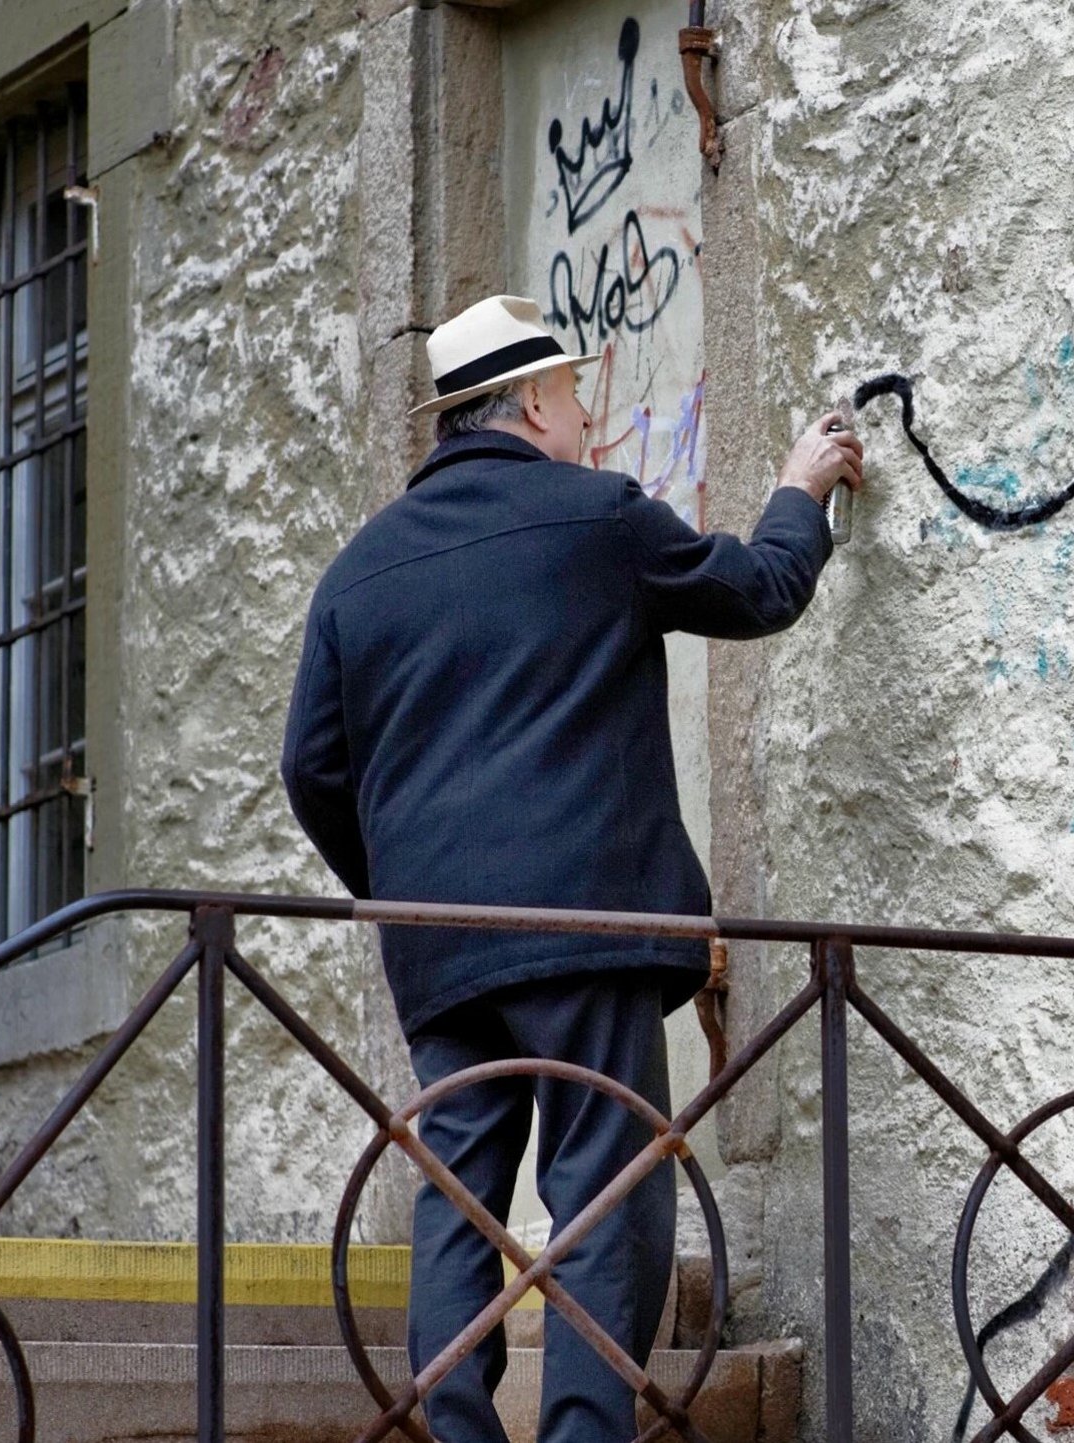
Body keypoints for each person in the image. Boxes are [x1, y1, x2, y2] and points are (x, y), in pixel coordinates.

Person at [280, 294, 862, 1443]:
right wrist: (802, 488)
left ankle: (455, 1432)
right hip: (585, 930)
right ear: (534, 401)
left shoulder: (358, 573)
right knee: (603, 1191)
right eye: (576, 396)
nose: (586, 418)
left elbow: (313, 770)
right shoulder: (596, 517)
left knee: (458, 1200)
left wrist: (402, 890)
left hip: (440, 950)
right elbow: (756, 590)